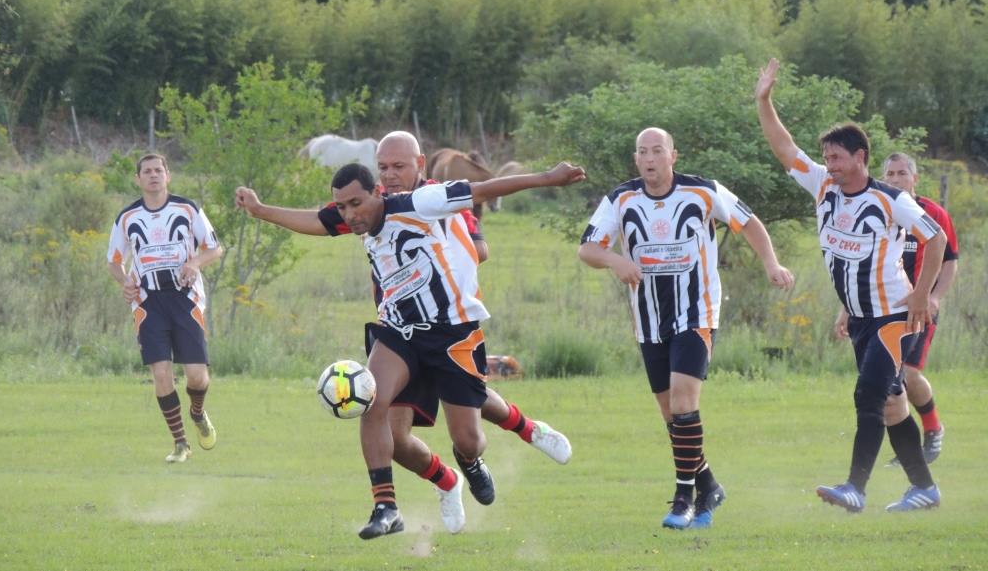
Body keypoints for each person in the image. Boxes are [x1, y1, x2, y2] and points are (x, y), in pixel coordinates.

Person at [236, 132, 573, 535]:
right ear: (377, 179)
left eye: (400, 166)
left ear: (419, 164)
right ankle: (389, 507)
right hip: (398, 332)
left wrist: (546, 179)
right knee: (372, 404)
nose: (392, 175)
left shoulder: (427, 200)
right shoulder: (358, 211)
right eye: (385, 167)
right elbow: (315, 220)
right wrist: (259, 210)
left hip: (452, 332)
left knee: (469, 439)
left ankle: (499, 444)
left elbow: (482, 190)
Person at [577, 127, 794, 530]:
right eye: (642, 152)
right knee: (672, 415)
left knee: (682, 402)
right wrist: (615, 261)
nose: (649, 158)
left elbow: (748, 222)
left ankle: (684, 499)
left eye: (657, 150)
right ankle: (709, 485)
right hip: (649, 321)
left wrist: (770, 262)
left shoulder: (703, 192)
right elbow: (587, 248)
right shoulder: (621, 199)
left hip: (697, 314)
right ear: (636, 158)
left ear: (673, 155)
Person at [755, 58, 948, 513]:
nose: (830, 166)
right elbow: (784, 148)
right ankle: (925, 488)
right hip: (861, 319)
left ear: (860, 157)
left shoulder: (889, 199)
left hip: (893, 317)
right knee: (892, 404)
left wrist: (921, 295)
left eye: (837, 158)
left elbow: (935, 238)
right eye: (826, 159)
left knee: (868, 394)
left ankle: (855, 489)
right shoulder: (824, 188)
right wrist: (764, 101)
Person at [107, 153, 222, 463]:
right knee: (161, 373)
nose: (153, 175)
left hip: (185, 298)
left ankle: (197, 414)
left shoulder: (187, 208)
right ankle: (180, 443)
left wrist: (195, 262)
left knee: (197, 377)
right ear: (138, 179)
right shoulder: (127, 218)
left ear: (168, 175)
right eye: (147, 171)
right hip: (148, 302)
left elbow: (214, 248)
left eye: (159, 170)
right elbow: (114, 262)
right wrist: (125, 283)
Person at [877, 152, 958, 466]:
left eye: (901, 173)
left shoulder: (934, 213)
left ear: (914, 178)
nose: (895, 180)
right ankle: (908, 451)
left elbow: (950, 262)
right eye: (889, 174)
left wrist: (933, 297)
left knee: (908, 375)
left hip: (920, 308)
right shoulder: (880, 210)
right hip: (884, 309)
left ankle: (934, 429)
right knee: (888, 382)